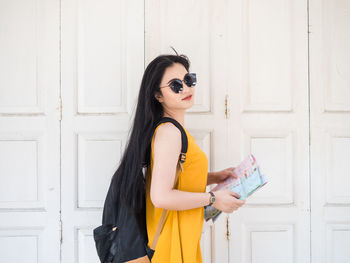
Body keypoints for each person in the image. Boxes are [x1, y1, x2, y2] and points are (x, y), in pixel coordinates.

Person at [142, 48, 246, 262]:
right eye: (175, 85)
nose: (186, 88)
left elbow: (175, 178)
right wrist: (213, 198)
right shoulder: (169, 132)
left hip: (180, 235)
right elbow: (160, 196)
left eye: (188, 80)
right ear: (158, 95)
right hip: (171, 241)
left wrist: (214, 177)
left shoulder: (174, 130)